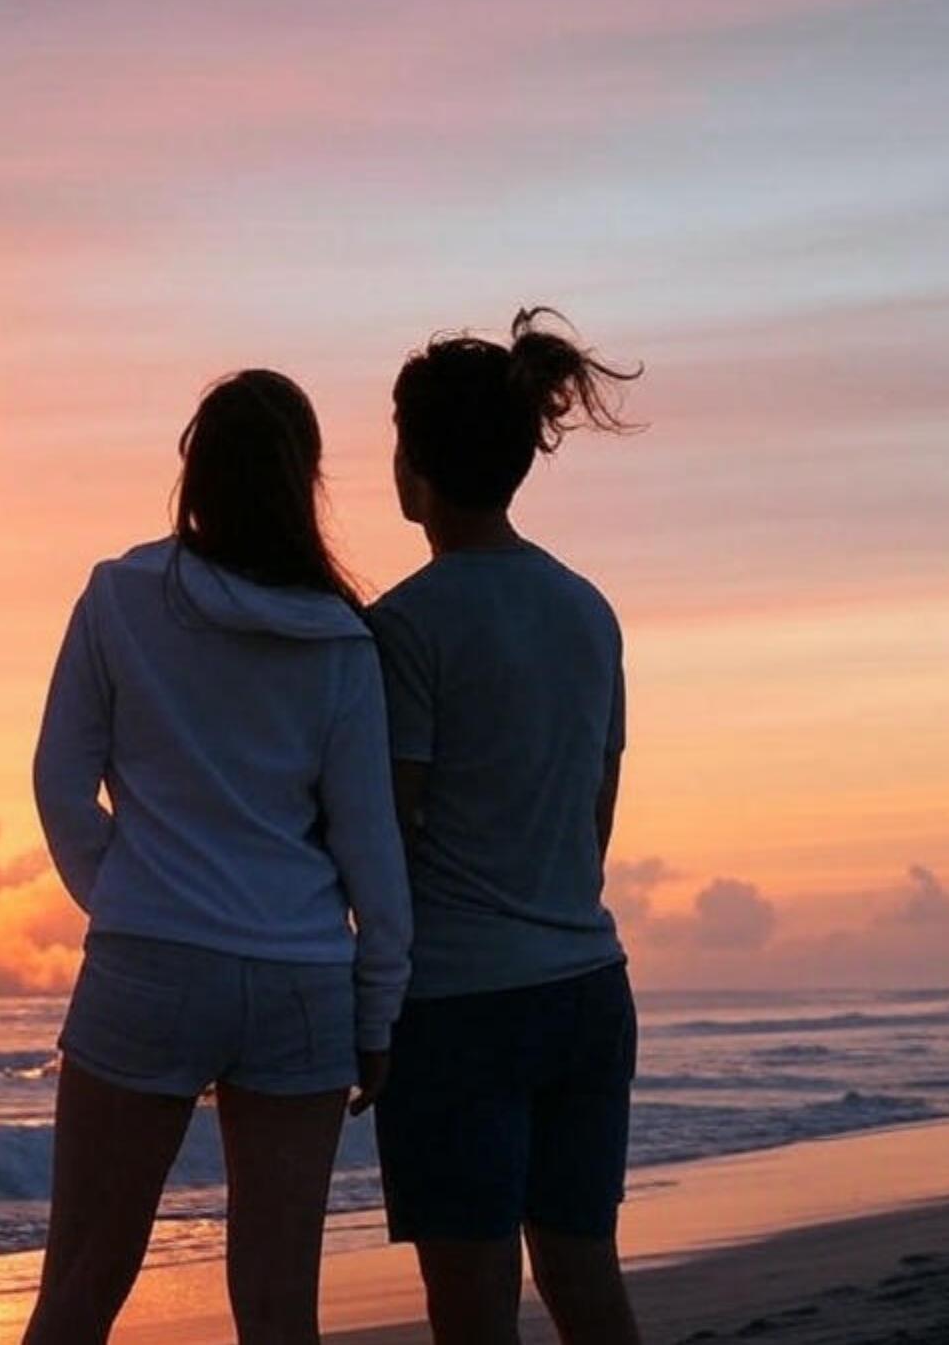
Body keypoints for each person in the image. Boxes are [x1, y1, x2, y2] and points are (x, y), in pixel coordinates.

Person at [26, 369, 413, 1345]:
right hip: (299, 976)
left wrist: (126, 895)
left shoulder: (120, 597)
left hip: (149, 964)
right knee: (279, 1309)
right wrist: (377, 1012)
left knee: (82, 1286)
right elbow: (371, 852)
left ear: (194, 471)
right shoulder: (340, 638)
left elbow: (60, 784)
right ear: (304, 484)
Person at [369, 308, 644, 1345]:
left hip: (459, 1005)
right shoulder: (586, 608)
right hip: (586, 986)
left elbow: (390, 832)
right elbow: (594, 811)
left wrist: (367, 1001)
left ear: (416, 465)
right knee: (584, 1276)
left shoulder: (405, 625)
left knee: (472, 1308)